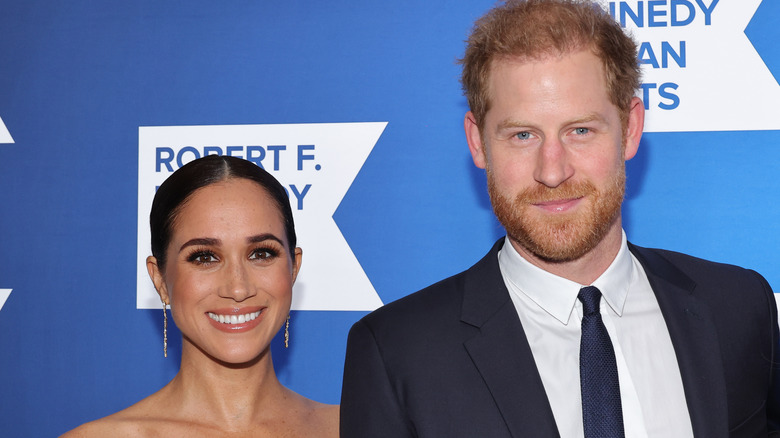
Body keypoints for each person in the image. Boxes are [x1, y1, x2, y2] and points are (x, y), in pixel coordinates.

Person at [340, 1, 780, 437]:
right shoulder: (397, 353)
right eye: (523, 134)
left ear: (630, 129)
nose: (552, 171)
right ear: (477, 142)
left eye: (581, 131)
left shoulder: (739, 307)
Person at [63, 155, 338, 437]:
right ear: (159, 279)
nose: (238, 288)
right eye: (205, 257)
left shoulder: (359, 425)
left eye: (261, 253)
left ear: (293, 269)